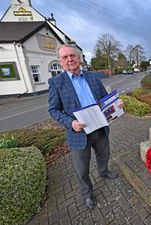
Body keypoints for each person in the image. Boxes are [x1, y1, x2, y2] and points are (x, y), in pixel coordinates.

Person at [48, 44, 119, 209]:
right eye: (65, 57)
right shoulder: (56, 83)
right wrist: (70, 123)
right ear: (60, 62)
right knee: (82, 168)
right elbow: (53, 110)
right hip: (79, 133)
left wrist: (116, 103)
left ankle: (104, 171)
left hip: (100, 127)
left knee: (104, 154)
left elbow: (104, 98)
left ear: (79, 57)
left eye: (72, 55)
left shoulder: (93, 77)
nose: (70, 59)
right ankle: (87, 194)